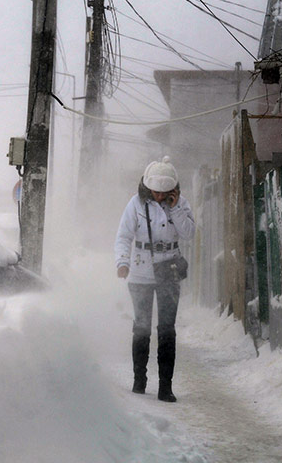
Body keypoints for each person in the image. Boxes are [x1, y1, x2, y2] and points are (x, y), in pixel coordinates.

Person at [114, 156, 195, 402]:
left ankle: (165, 386)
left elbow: (189, 233)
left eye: (164, 193)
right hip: (140, 271)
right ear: (148, 187)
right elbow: (123, 236)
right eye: (156, 192)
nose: (160, 197)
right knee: (141, 327)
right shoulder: (135, 204)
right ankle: (140, 380)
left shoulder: (180, 204)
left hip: (168, 269)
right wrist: (122, 262)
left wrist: (177, 206)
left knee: (167, 329)